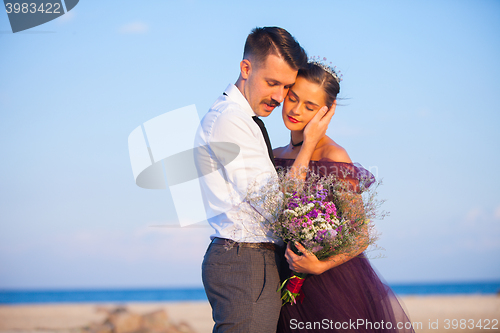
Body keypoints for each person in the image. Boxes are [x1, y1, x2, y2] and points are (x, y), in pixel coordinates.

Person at [195, 27, 335, 332]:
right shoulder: (230, 121)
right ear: (246, 68)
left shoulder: (243, 119)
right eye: (272, 83)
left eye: (286, 86)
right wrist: (309, 144)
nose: (278, 97)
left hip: (250, 260)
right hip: (245, 261)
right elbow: (276, 204)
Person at [273, 60, 415, 332]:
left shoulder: (334, 156)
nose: (296, 110)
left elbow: (360, 233)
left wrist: (320, 266)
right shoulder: (276, 155)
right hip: (281, 277)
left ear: (327, 112)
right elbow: (281, 203)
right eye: (293, 98)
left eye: (310, 107)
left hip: (329, 283)